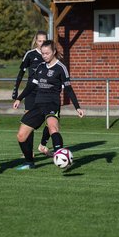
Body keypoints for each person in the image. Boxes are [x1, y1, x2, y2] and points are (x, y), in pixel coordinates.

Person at [13, 40, 84, 170]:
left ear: (54, 52)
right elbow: (31, 85)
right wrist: (19, 98)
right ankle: (29, 162)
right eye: (43, 53)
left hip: (52, 104)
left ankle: (61, 156)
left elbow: (68, 89)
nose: (44, 56)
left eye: (47, 53)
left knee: (52, 128)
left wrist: (77, 107)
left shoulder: (61, 68)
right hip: (38, 104)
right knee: (21, 136)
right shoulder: (40, 67)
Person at [12, 30, 52, 157]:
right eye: (39, 41)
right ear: (35, 41)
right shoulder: (30, 54)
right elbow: (21, 73)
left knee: (51, 119)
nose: (41, 43)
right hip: (31, 92)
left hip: (45, 92)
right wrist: (16, 90)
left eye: (44, 41)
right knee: (29, 121)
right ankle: (29, 152)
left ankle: (42, 145)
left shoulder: (49, 55)